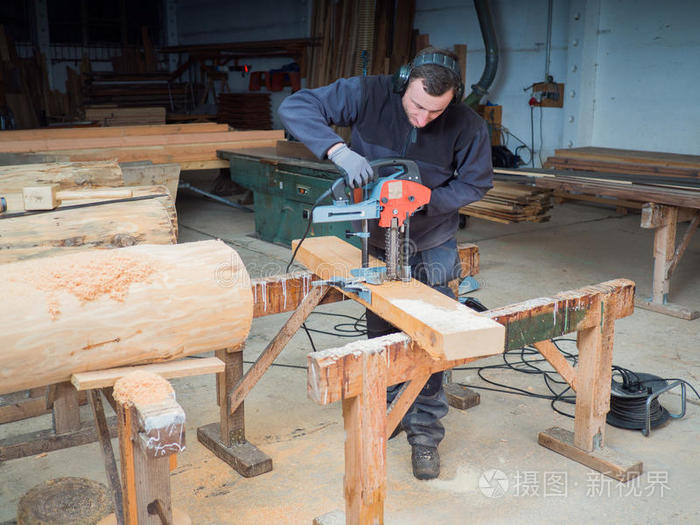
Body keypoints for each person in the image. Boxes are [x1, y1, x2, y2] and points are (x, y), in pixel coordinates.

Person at [278, 47, 493, 480]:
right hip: (374, 240)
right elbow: (295, 106)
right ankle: (391, 406)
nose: (423, 118)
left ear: (453, 100)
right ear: (403, 82)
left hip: (432, 242)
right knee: (381, 330)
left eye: (436, 111)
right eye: (416, 105)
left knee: (431, 339)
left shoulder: (468, 125)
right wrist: (338, 150)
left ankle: (425, 435)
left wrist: (428, 202)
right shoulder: (369, 93)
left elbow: (475, 182)